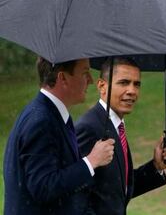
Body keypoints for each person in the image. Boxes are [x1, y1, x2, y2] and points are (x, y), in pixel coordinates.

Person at [3, 57, 116, 215]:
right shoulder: (41, 121)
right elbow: (43, 187)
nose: (90, 80)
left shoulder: (51, 115)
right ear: (62, 78)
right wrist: (91, 161)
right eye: (85, 73)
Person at [75, 57, 166, 215]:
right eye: (124, 82)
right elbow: (74, 197)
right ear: (102, 86)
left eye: (137, 84)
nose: (132, 91)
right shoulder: (88, 128)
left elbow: (117, 190)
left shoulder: (116, 125)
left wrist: (156, 166)